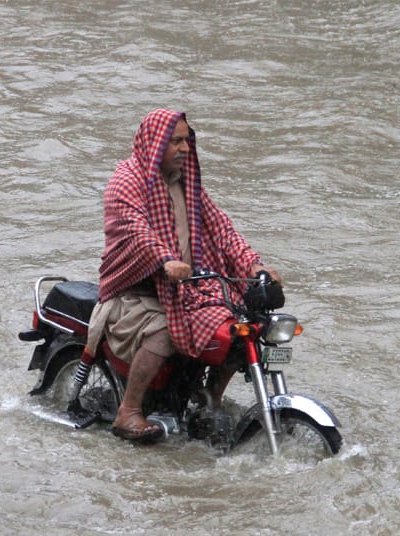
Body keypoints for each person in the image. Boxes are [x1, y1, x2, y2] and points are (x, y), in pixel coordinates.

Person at [88, 108, 281, 443]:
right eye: (175, 141)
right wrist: (165, 259)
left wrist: (254, 265)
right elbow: (137, 231)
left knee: (238, 327)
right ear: (155, 142)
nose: (184, 148)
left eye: (187, 140)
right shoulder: (127, 180)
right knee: (164, 332)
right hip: (136, 291)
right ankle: (129, 411)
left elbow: (222, 229)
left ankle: (209, 400)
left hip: (186, 287)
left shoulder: (186, 184)